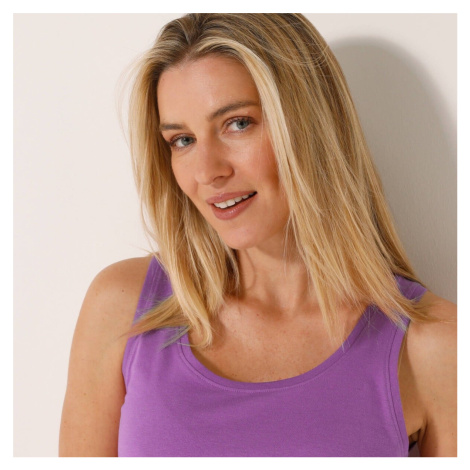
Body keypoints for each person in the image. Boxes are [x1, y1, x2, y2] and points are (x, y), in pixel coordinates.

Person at [59, 13, 456, 457]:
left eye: (238, 123)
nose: (207, 172)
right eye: (182, 140)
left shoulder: (435, 347)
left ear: (311, 127)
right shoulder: (123, 307)